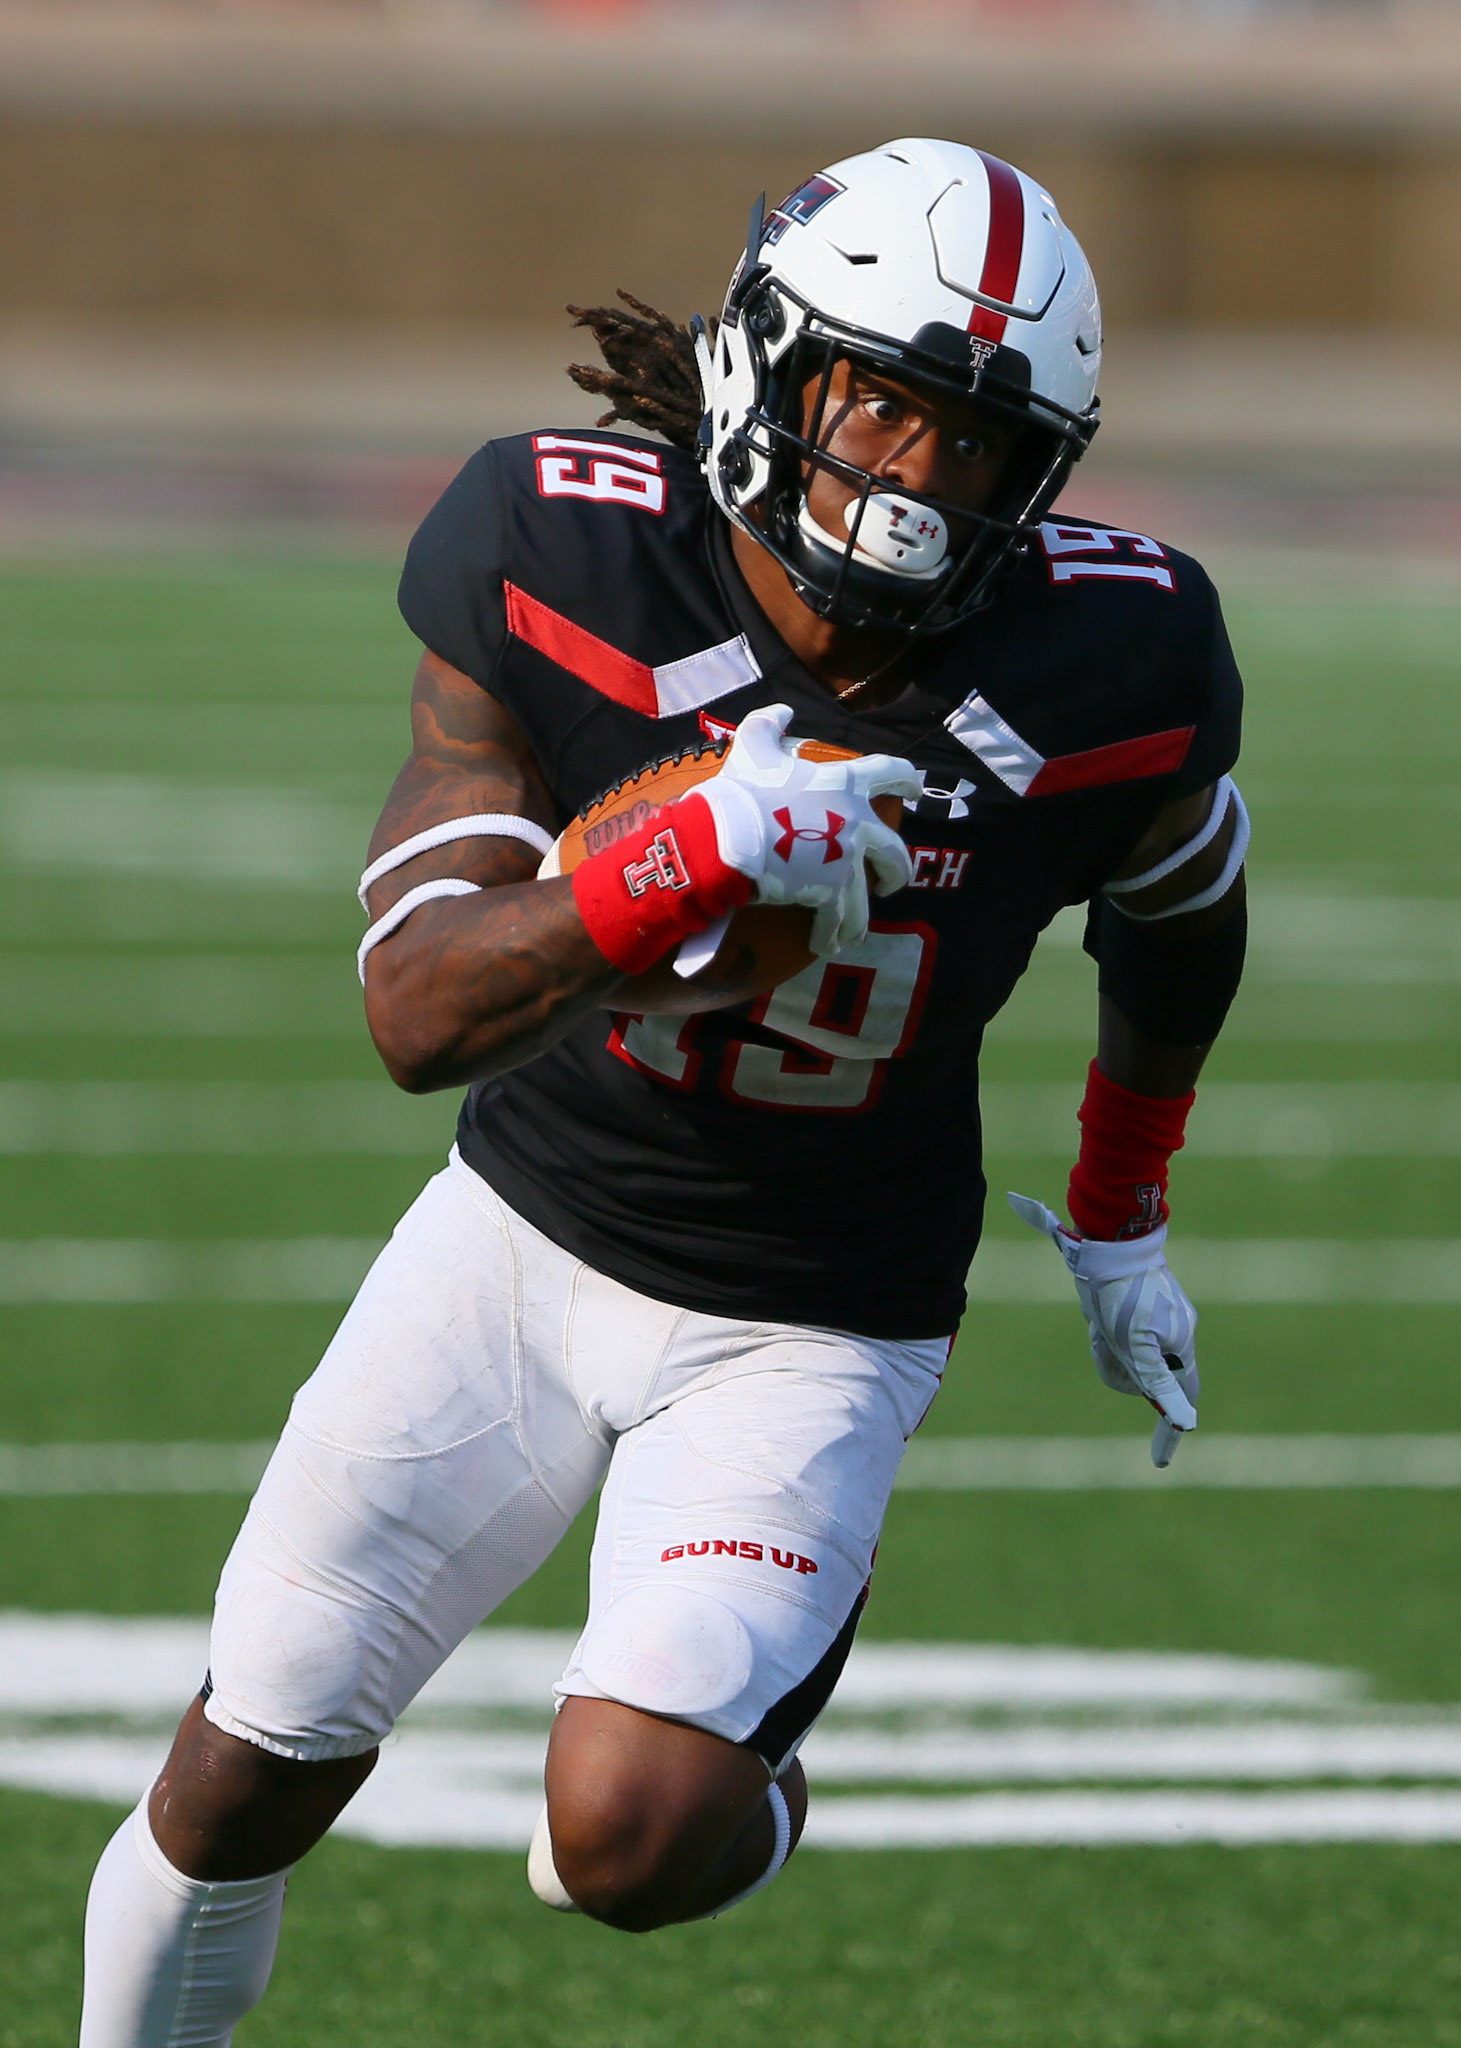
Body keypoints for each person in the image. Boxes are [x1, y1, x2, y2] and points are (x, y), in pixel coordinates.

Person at [79, 137, 1247, 2043]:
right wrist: (667, 859)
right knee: (246, 1771)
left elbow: (1184, 916)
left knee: (633, 1834)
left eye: (972, 440)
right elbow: (416, 1014)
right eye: (878, 405)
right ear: (773, 369)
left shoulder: (1115, 654)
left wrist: (1122, 1215)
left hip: (815, 1315)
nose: (915, 479)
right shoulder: (560, 550)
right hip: (525, 1237)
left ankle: (751, 1786)